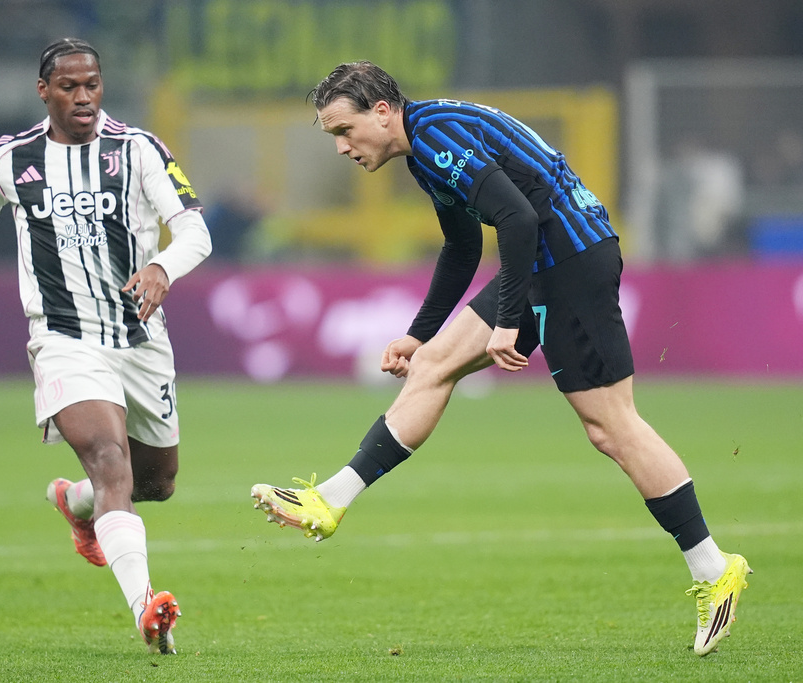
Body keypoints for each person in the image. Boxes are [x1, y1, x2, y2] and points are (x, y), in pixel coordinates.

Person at [250, 61, 750, 657]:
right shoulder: (423, 149)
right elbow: (462, 247)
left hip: (572, 260)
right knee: (432, 364)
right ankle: (330, 500)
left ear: (381, 111)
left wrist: (508, 320)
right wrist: (418, 333)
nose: (340, 147)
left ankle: (713, 568)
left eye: (343, 130)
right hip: (546, 260)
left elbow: (517, 218)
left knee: (612, 427)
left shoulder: (436, 136)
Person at [0, 38, 211, 655]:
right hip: (64, 339)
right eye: (70, 87)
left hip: (141, 339)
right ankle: (147, 608)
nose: (84, 97)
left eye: (92, 85)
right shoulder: (11, 159)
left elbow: (193, 228)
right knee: (110, 458)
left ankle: (78, 505)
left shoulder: (138, 149)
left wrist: (163, 268)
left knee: (158, 481)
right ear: (44, 91)